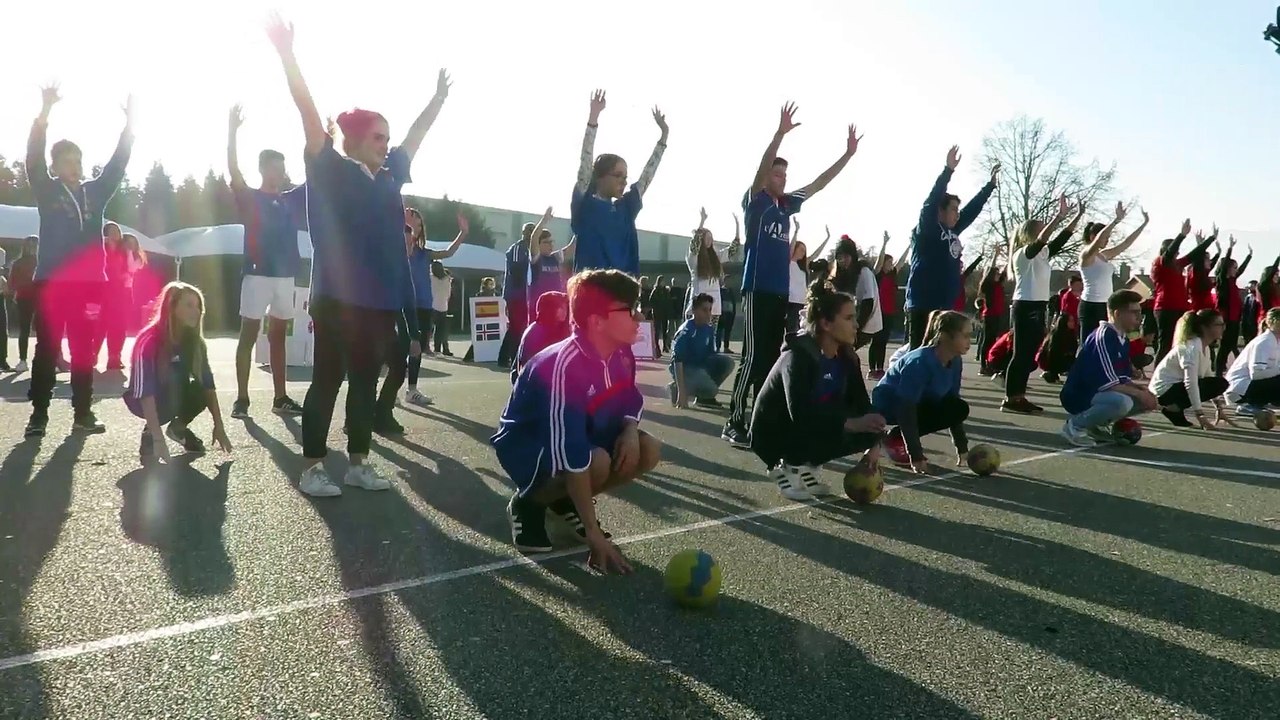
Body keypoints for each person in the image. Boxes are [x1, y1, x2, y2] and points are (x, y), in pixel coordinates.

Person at [268, 15, 440, 497]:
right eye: (378, 138)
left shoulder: (389, 176)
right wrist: (287, 54)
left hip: (381, 300)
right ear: (356, 139)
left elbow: (417, 135)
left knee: (365, 383)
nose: (387, 146)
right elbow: (306, 110)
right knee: (328, 380)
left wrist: (439, 99)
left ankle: (359, 462)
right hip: (337, 298)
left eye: (387, 139)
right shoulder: (330, 168)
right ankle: (313, 467)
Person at [491, 269, 661, 574]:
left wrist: (631, 430)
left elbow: (630, 398)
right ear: (597, 322)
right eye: (629, 309)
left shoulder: (621, 353)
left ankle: (563, 500)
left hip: (579, 437)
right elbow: (569, 451)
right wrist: (593, 533)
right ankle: (528, 503)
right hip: (528, 447)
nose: (639, 316)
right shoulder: (565, 366)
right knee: (593, 461)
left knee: (647, 449)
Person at [722, 103, 862, 448]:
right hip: (756, 289)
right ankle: (734, 421)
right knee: (753, 356)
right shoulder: (756, 202)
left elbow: (818, 184)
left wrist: (847, 155)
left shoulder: (786, 206)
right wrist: (779, 135)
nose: (781, 180)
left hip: (780, 292)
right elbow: (758, 175)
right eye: (776, 174)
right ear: (766, 177)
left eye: (784, 175)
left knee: (772, 357)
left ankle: (761, 419)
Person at [24, 84, 136, 437]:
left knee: (84, 349)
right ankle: (38, 414)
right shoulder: (47, 191)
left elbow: (117, 167)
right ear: (55, 168)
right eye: (66, 162)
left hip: (90, 284)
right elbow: (32, 158)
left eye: (78, 161)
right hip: (52, 283)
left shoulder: (94, 193)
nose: (74, 167)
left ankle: (82, 412)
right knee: (47, 349)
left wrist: (129, 126)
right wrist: (43, 114)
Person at [749, 281, 886, 500]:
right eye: (849, 318)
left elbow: (861, 404)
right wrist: (851, 423)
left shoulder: (847, 358)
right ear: (826, 323)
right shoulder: (798, 356)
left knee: (871, 427)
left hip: (811, 427)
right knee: (843, 422)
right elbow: (800, 414)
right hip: (774, 435)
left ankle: (807, 466)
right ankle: (786, 466)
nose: (857, 325)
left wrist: (874, 441)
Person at [225, 105, 310, 419]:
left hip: (285, 277)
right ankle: (242, 398)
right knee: (248, 335)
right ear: (263, 169)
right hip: (257, 275)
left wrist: (323, 139)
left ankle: (280, 397)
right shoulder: (251, 197)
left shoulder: (289, 199)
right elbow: (233, 170)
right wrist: (232, 132)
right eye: (275, 167)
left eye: (282, 167)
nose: (280, 172)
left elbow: (314, 177)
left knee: (278, 337)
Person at [123, 282, 232, 465]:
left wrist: (219, 426)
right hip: (144, 398)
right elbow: (144, 391)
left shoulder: (196, 343)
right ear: (172, 308)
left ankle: (178, 428)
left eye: (198, 307)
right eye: (189, 305)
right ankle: (150, 431)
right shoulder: (148, 340)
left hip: (172, 393)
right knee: (172, 379)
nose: (196, 311)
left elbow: (208, 383)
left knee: (199, 389)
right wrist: (158, 438)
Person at [903, 146, 998, 349]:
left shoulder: (953, 230)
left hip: (944, 305)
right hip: (923, 304)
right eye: (953, 209)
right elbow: (930, 203)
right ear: (940, 211)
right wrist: (948, 171)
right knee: (920, 354)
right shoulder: (927, 229)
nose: (957, 214)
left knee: (942, 355)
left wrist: (989, 187)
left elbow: (971, 211)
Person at [570, 90, 668, 275]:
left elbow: (647, 176)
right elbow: (585, 160)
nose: (624, 181)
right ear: (600, 176)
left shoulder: (626, 208)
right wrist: (593, 117)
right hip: (591, 292)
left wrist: (664, 136)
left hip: (622, 293)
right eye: (618, 175)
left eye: (626, 177)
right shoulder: (585, 205)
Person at [1001, 196, 1082, 414]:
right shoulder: (1023, 254)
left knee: (1028, 355)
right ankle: (1012, 398)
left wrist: (1077, 216)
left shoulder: (1043, 254)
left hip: (1038, 306)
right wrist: (1059, 216)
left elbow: (1062, 238)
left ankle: (1019, 396)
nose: (1044, 231)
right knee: (1022, 354)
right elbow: (1045, 238)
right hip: (1025, 306)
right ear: (1030, 234)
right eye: (1040, 229)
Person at [873, 310, 972, 474]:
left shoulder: (955, 361)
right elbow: (906, 408)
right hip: (890, 405)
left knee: (958, 408)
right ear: (945, 336)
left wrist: (962, 448)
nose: (969, 341)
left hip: (918, 403)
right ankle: (892, 439)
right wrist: (916, 455)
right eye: (965, 335)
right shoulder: (919, 363)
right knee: (911, 411)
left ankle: (894, 437)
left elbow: (951, 400)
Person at [1058, 289, 1158, 447]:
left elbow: (1121, 377)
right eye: (1134, 313)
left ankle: (1094, 425)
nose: (1139, 318)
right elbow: (1108, 381)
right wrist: (1138, 393)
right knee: (1122, 402)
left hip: (1098, 392)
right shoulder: (1104, 336)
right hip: (1079, 395)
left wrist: (1142, 390)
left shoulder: (1123, 339)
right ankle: (1074, 426)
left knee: (1145, 399)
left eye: (1140, 313)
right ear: (1117, 313)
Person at [1149, 309, 1232, 428]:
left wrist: (1219, 408)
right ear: (1204, 327)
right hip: (1163, 393)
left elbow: (1208, 378)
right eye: (1219, 324)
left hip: (1175, 388)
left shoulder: (1205, 348)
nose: (1223, 328)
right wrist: (1200, 415)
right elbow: (1191, 383)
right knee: (1219, 383)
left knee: (1218, 383)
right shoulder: (1191, 348)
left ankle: (1175, 411)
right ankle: (1172, 408)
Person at [1079, 208, 1149, 340]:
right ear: (1093, 237)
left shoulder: (1104, 255)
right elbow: (1097, 242)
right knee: (1089, 342)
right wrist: (1115, 221)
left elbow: (1126, 243)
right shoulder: (1086, 255)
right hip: (1090, 306)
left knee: (1106, 340)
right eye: (1106, 237)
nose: (1107, 240)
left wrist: (1144, 224)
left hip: (1106, 304)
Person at [1150, 220, 1214, 362]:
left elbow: (1193, 255)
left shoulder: (1177, 264)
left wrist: (1210, 239)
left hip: (1180, 307)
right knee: (1166, 343)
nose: (1177, 253)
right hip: (1165, 308)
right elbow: (1169, 253)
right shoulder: (1160, 262)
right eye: (1176, 251)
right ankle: (1157, 376)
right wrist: (1182, 235)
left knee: (1179, 342)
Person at [669, 293, 734, 409]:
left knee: (727, 363)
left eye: (710, 310)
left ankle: (703, 397)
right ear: (694, 311)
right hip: (686, 368)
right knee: (712, 389)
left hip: (700, 365)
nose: (708, 314)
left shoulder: (708, 329)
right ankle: (677, 389)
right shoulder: (686, 331)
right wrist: (682, 394)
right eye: (704, 310)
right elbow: (677, 361)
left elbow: (711, 355)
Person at [685, 207, 739, 327]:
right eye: (707, 238)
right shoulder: (694, 258)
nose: (710, 240)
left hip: (714, 306)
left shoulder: (715, 257)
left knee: (710, 337)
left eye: (711, 238)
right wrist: (702, 221)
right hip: (698, 304)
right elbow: (694, 245)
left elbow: (731, 251)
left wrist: (737, 228)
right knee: (695, 334)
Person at [1225, 307, 1280, 416]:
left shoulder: (1276, 341)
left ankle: (1262, 402)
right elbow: (1256, 374)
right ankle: (1248, 405)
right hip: (1239, 391)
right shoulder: (1264, 342)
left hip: (1251, 386)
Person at [528, 208, 577, 322]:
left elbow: (572, 246)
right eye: (546, 242)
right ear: (539, 245)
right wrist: (544, 220)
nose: (551, 245)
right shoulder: (536, 259)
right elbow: (534, 237)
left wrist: (581, 226)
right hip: (539, 312)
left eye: (551, 242)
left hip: (557, 309)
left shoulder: (555, 257)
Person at [1213, 238, 1252, 374]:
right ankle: (1218, 372)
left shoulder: (1233, 281)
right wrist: (1229, 249)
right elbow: (1223, 269)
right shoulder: (1222, 281)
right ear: (1227, 268)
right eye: (1233, 267)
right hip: (1226, 319)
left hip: (1235, 319)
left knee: (1231, 345)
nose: (1236, 270)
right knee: (1224, 347)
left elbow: (1241, 270)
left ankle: (1227, 370)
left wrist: (1249, 256)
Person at [513, 290, 570, 382]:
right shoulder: (538, 333)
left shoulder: (546, 327)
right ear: (552, 309)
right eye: (562, 307)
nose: (565, 311)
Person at [974, 248, 1008, 375]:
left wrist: (1009, 255)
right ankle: (983, 365)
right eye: (996, 273)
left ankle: (990, 364)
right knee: (987, 340)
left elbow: (1005, 270)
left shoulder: (999, 284)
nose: (998, 275)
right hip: (989, 315)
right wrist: (996, 255)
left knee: (993, 340)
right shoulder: (988, 285)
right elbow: (990, 270)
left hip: (998, 315)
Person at [8, 236, 38, 373]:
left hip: (40, 298)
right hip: (24, 298)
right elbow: (12, 282)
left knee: (43, 330)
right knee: (24, 330)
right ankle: (23, 360)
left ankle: (46, 359)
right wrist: (16, 290)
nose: (32, 247)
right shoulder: (18, 263)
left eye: (35, 244)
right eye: (30, 245)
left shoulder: (42, 261)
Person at [1036, 312, 1077, 384]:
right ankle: (1051, 373)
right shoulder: (1056, 335)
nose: (1073, 323)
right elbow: (1052, 353)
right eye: (1070, 321)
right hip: (1049, 360)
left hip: (1062, 357)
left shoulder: (1071, 333)